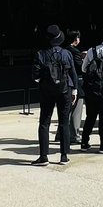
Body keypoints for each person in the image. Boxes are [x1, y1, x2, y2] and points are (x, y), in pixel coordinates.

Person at [32, 25, 77, 165]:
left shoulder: (40, 54)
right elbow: (73, 73)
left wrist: (44, 81)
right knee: (64, 122)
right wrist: (74, 90)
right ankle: (64, 155)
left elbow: (35, 76)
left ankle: (43, 156)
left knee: (44, 122)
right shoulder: (66, 53)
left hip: (47, 91)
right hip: (65, 90)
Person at [65, 30, 85, 146]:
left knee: (66, 110)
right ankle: (75, 135)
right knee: (76, 111)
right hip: (76, 82)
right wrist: (84, 59)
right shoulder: (75, 52)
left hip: (65, 83)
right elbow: (81, 67)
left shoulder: (64, 50)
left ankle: (61, 134)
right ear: (76, 39)